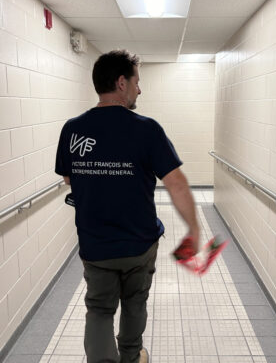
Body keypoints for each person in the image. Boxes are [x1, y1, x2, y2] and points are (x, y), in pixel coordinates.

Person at [55, 50, 201, 363]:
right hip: (138, 242)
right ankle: (132, 357)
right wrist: (194, 228)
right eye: (137, 81)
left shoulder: (72, 129)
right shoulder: (146, 129)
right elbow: (176, 183)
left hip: (95, 244)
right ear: (122, 83)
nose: (139, 89)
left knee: (99, 309)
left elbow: (70, 179)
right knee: (135, 302)